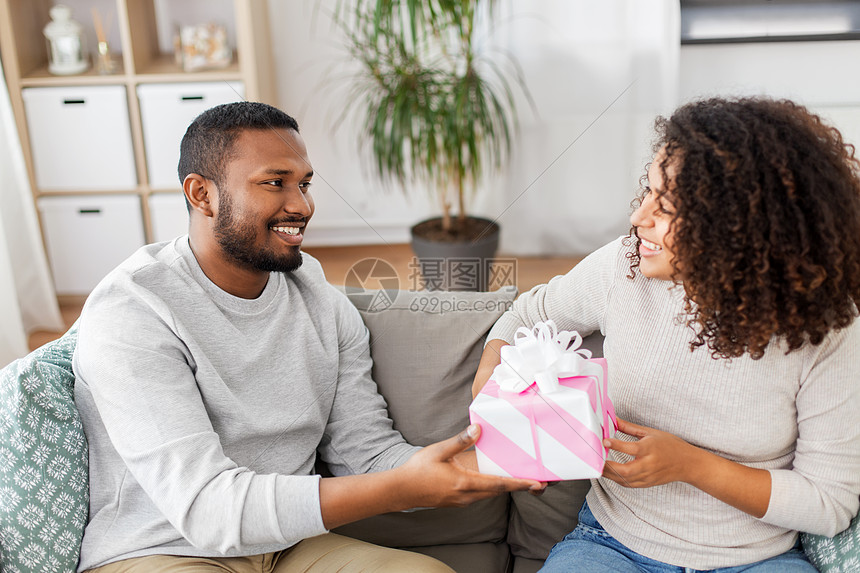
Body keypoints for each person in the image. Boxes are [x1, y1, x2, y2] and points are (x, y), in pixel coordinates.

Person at [72, 101, 543, 573]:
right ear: (202, 194)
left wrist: (512, 458)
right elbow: (206, 510)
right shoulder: (134, 310)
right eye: (275, 183)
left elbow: (367, 454)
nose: (301, 205)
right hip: (161, 550)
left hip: (287, 547)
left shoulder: (318, 297)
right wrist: (402, 487)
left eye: (304, 183)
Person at [472, 97, 860, 572]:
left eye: (668, 207)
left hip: (756, 559)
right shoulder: (625, 267)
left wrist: (691, 466)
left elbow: (828, 503)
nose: (639, 218)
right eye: (648, 193)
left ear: (740, 230)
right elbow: (527, 315)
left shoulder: (828, 330)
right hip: (611, 544)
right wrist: (491, 394)